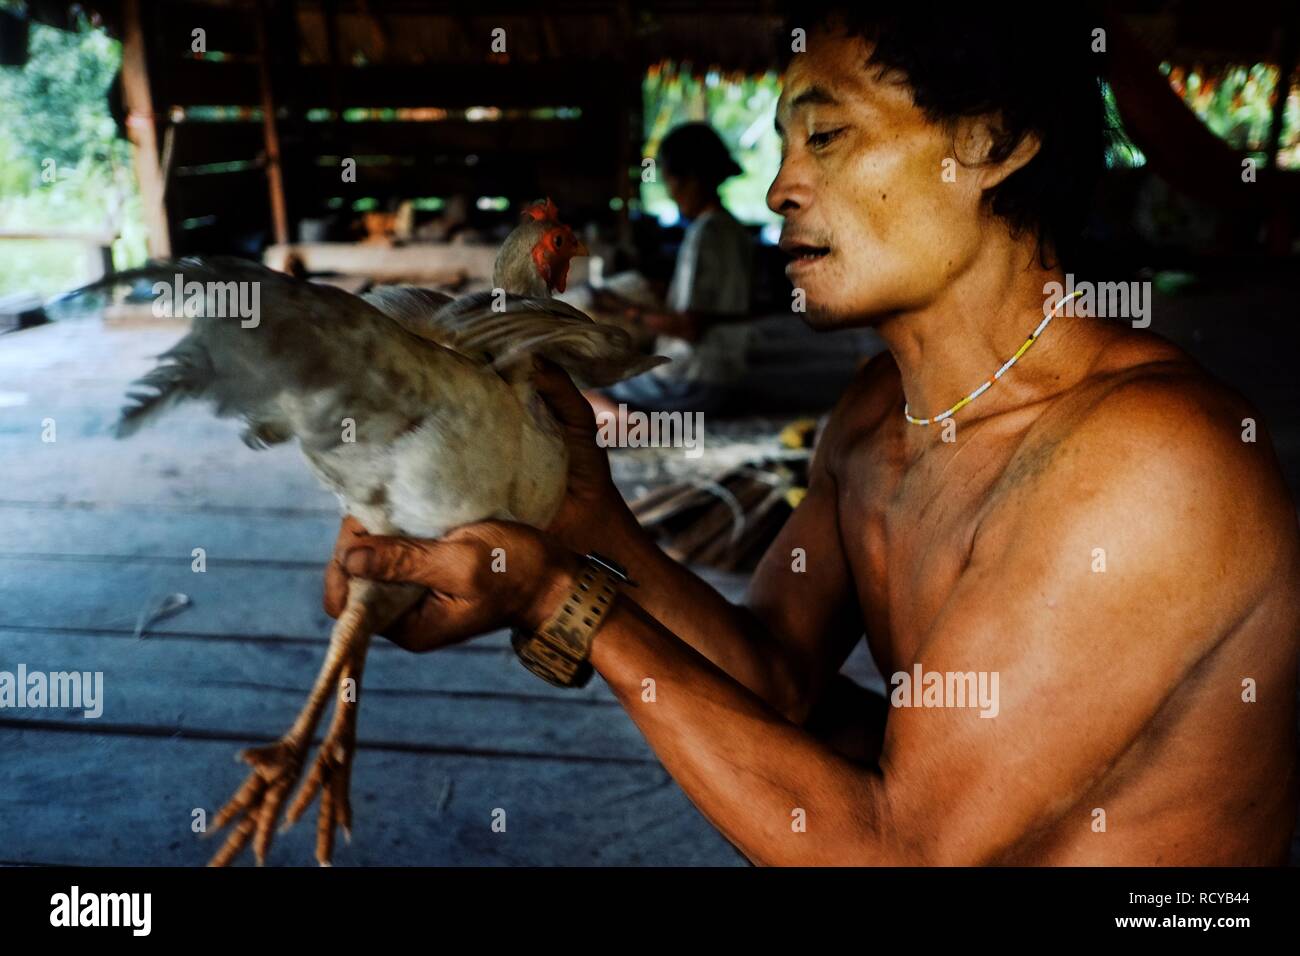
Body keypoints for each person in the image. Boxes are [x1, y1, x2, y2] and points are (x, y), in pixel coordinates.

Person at [325, 6, 1300, 864]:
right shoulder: (878, 409)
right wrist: (581, 520)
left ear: (993, 140)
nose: (778, 190)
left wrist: (555, 593)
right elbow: (775, 677)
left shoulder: (1150, 463)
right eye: (784, 146)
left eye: (825, 135)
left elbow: (895, 853)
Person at [590, 122, 755, 415]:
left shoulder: (706, 233)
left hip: (695, 377)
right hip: (729, 372)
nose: (670, 192)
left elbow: (689, 327)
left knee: (586, 386)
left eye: (670, 181)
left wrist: (627, 311)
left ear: (691, 179)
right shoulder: (733, 228)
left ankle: (646, 429)